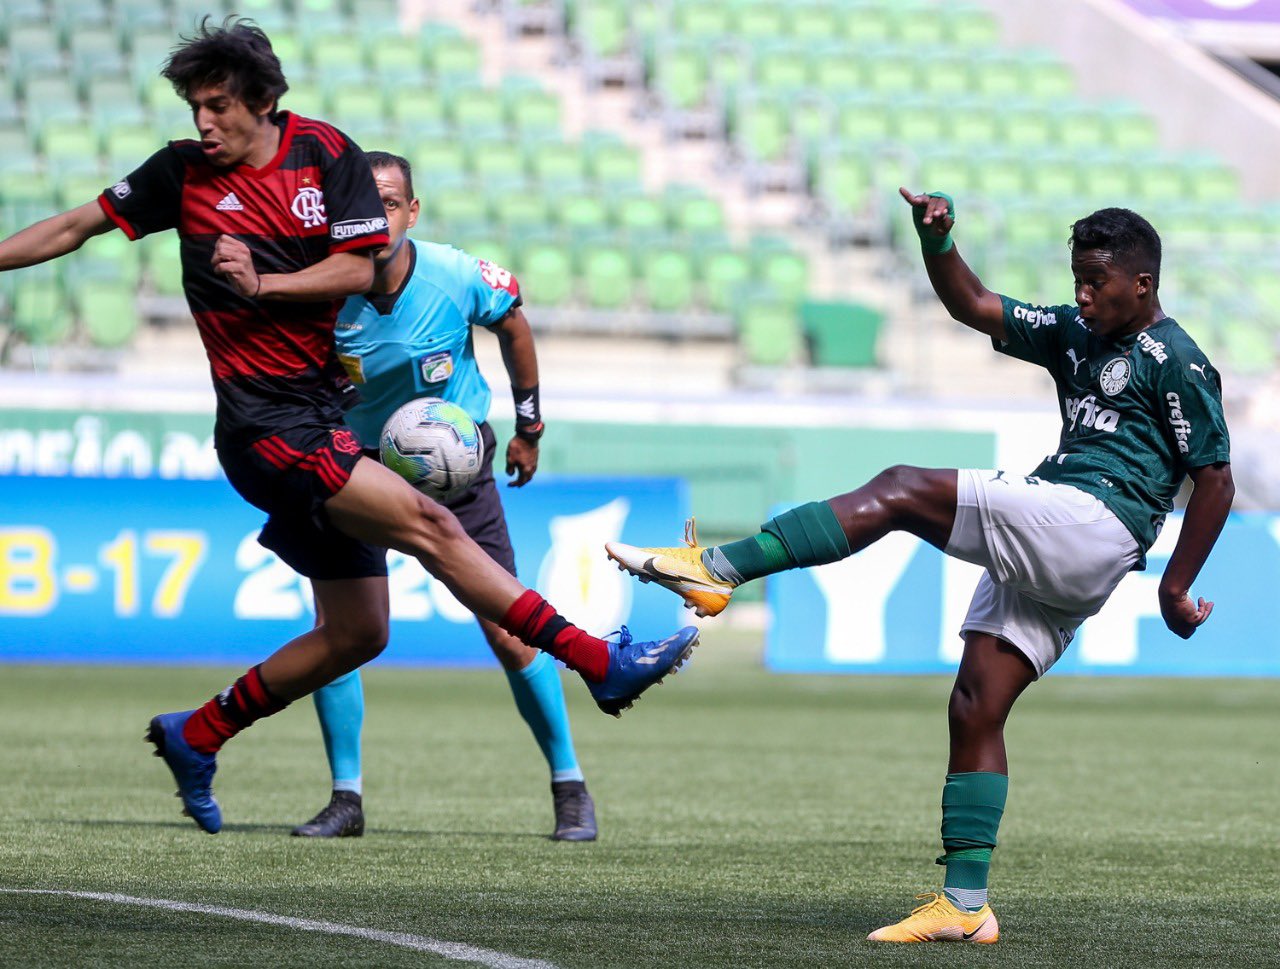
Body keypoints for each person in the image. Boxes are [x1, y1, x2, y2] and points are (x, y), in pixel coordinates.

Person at [0, 18, 696, 835]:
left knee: (358, 631)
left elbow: (361, 266)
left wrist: (260, 283)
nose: (204, 123)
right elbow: (74, 225)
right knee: (434, 525)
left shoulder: (325, 155)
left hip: (317, 414)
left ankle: (198, 732)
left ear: (262, 100)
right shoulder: (179, 175)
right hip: (267, 424)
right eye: (195, 106)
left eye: (218, 105)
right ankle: (599, 663)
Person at [606, 190, 1233, 943]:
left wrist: (1175, 584)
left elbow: (1216, 477)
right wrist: (936, 239)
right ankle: (965, 906)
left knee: (900, 488)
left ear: (1143, 282)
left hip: (1094, 522)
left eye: (1097, 280)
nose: (1082, 292)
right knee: (975, 703)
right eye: (1077, 276)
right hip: (1063, 532)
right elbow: (970, 302)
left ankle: (718, 568)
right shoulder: (1075, 332)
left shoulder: (1179, 360)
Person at [291, 151, 596, 842]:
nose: (382, 216)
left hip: (453, 470)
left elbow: (513, 322)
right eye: (368, 206)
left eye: (393, 203)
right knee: (341, 634)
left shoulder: (456, 274)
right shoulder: (323, 290)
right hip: (354, 467)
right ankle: (346, 797)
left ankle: (570, 784)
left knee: (510, 630)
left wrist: (530, 425)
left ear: (413, 210)